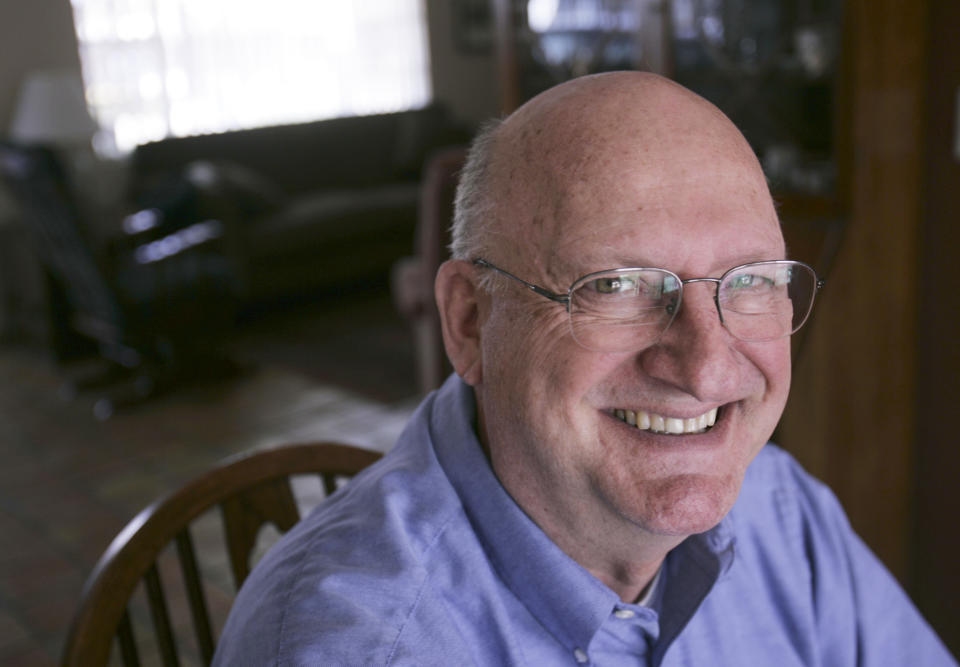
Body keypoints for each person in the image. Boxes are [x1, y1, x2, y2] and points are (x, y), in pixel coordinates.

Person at [213, 72, 956, 665]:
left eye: (752, 279)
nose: (704, 366)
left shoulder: (780, 510)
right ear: (471, 321)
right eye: (617, 284)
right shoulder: (355, 648)